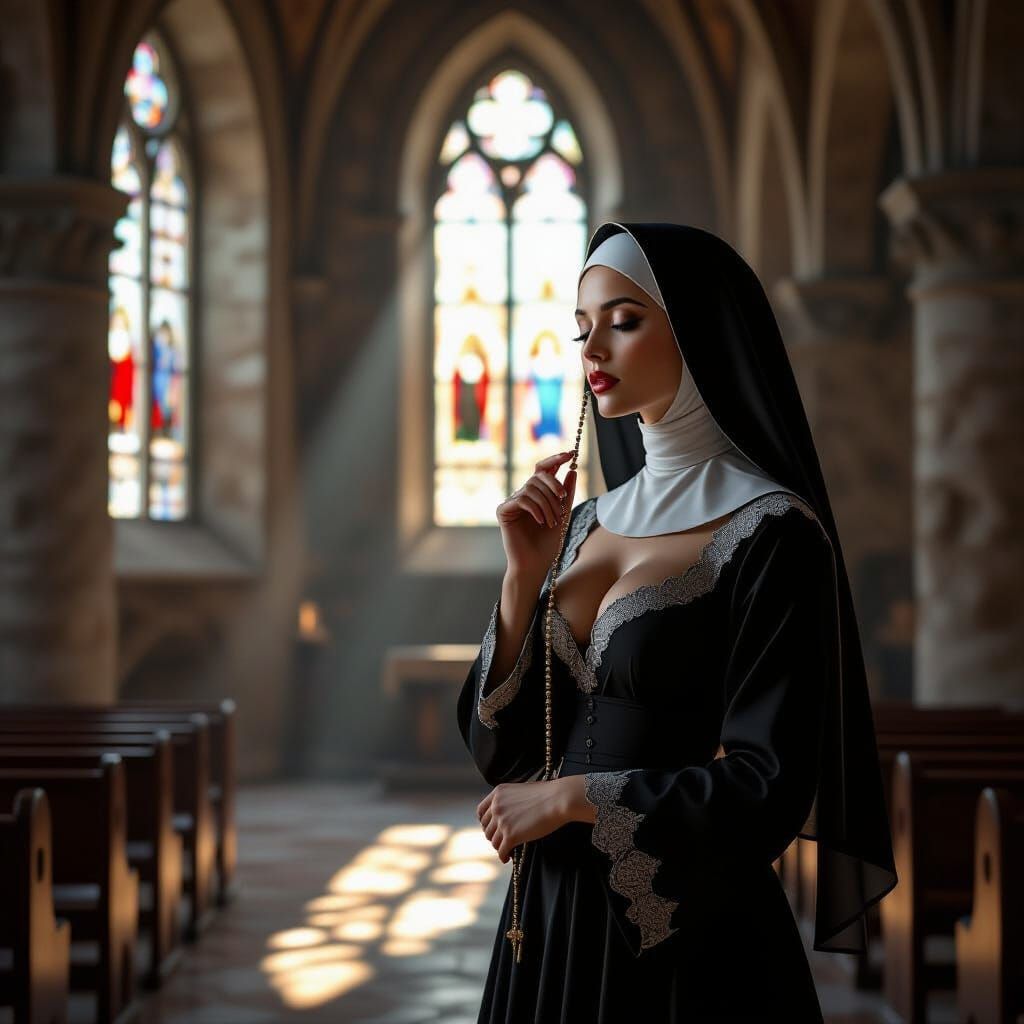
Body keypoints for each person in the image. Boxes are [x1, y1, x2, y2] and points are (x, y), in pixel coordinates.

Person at [455, 222, 898, 1023]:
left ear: (697, 327)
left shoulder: (773, 533)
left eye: (624, 321)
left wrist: (569, 800)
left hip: (689, 935)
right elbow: (501, 752)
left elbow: (768, 788)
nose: (594, 350)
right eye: (583, 329)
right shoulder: (580, 524)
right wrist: (523, 576)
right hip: (545, 922)